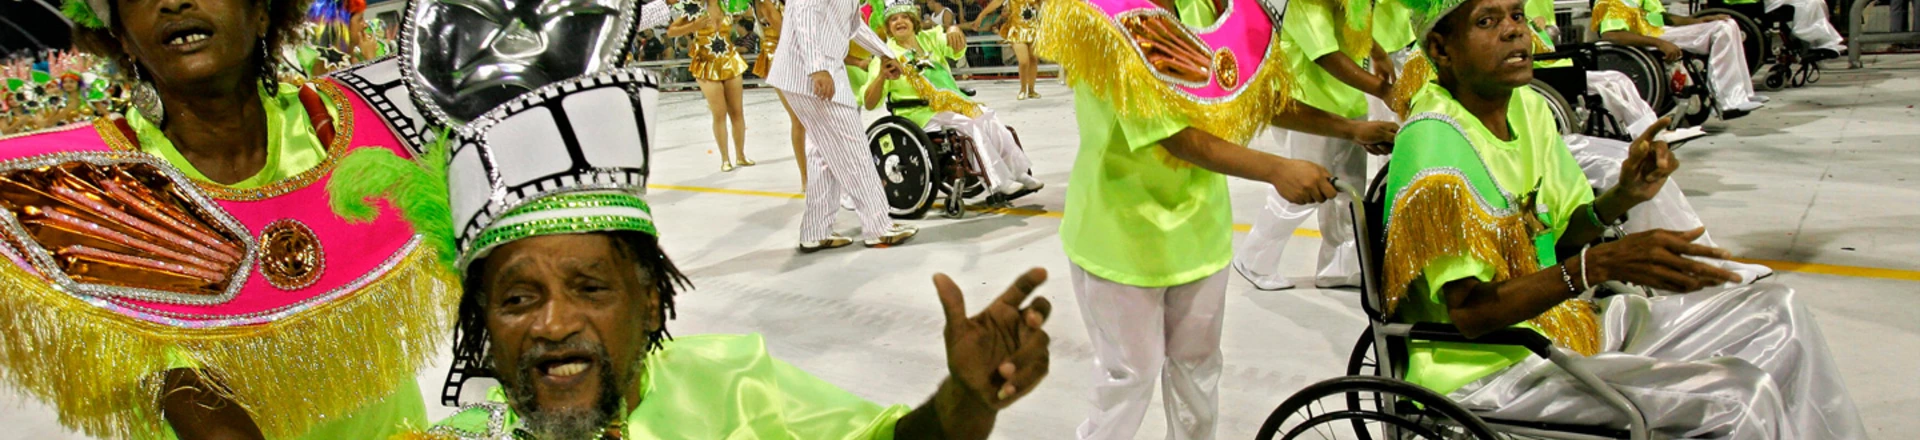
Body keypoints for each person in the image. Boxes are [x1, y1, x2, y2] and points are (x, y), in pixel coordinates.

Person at [398, 45, 1053, 436]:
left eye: (590, 287)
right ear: (482, 318)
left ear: (650, 302)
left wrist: (963, 402)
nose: (553, 322)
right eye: (517, 299)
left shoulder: (732, 384)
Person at [1379, 0, 1866, 436]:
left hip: (1560, 327)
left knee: (1777, 311)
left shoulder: (1527, 108)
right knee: (1739, 396)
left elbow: (1562, 237)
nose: (1514, 31)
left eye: (1517, 15)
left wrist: (1622, 197)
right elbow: (1471, 315)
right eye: (1487, 21)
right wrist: (1597, 266)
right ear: (1441, 49)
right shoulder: (1435, 144)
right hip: (1488, 369)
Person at [0, 0, 464, 437]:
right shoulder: (101, 184)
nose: (173, 3)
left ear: (261, 11)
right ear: (122, 38)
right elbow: (184, 387)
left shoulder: (357, 121)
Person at [1035, 0, 1398, 436]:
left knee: (1199, 368)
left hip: (1200, 231)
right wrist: (1277, 169)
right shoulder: (1113, 17)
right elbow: (1176, 136)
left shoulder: (1207, 8)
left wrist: (1349, 128)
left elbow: (1254, 96)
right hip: (1122, 236)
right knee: (1129, 377)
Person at [1234, 0, 1401, 291]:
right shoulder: (1304, 4)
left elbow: (1352, 21)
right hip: (1310, 105)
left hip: (1346, 100)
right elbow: (1325, 54)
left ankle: (1340, 268)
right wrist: (1382, 90)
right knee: (1302, 189)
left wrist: (1378, 53)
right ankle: (1254, 259)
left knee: (1348, 190)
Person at [768, 0, 918, 251]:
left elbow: (854, 25)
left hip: (809, 72)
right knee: (853, 148)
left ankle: (816, 231)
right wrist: (818, 69)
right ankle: (879, 227)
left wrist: (885, 52)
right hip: (813, 74)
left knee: (823, 153)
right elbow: (805, 16)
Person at [862, 0, 1043, 197]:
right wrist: (881, 76)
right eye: (893, 19)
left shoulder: (929, 39)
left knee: (987, 116)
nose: (899, 22)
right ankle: (998, 180)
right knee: (969, 124)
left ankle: (1019, 172)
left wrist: (954, 29)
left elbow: (955, 49)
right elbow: (870, 103)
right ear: (888, 27)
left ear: (913, 21)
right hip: (919, 112)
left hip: (950, 104)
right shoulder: (885, 56)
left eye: (905, 17)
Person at [1594, 0, 1767, 118]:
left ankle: (1742, 94)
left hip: (1659, 31)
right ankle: (1727, 101)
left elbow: (1662, 18)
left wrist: (1697, 21)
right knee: (1721, 30)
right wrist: (1660, 43)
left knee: (1729, 24)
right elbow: (1612, 35)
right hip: (1647, 38)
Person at [670, 0, 756, 172]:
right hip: (706, 63)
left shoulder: (729, 5)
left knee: (737, 112)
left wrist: (741, 9)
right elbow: (672, 31)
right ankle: (725, 158)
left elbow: (750, 14)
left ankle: (740, 155)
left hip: (729, 60)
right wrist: (693, 26)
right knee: (719, 113)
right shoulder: (694, 7)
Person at [752, 0, 812, 187]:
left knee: (814, 117)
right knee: (798, 119)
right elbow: (784, 30)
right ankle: (805, 177)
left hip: (804, 54)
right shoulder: (765, 2)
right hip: (781, 58)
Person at [972, 0, 1041, 99]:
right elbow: (997, 2)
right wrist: (981, 15)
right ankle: (1023, 89)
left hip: (1033, 28)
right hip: (1017, 29)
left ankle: (1031, 90)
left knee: (1033, 59)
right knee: (1023, 61)